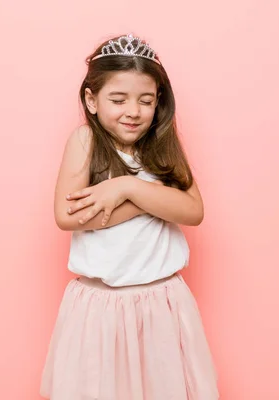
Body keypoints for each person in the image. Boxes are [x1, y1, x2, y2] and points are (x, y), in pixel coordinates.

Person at [40, 33, 219, 400]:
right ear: (92, 100)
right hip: (100, 307)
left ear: (159, 102)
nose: (133, 111)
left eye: (146, 100)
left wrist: (127, 188)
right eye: (118, 100)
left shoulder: (161, 145)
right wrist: (154, 198)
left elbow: (193, 210)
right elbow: (68, 215)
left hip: (161, 302)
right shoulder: (85, 142)